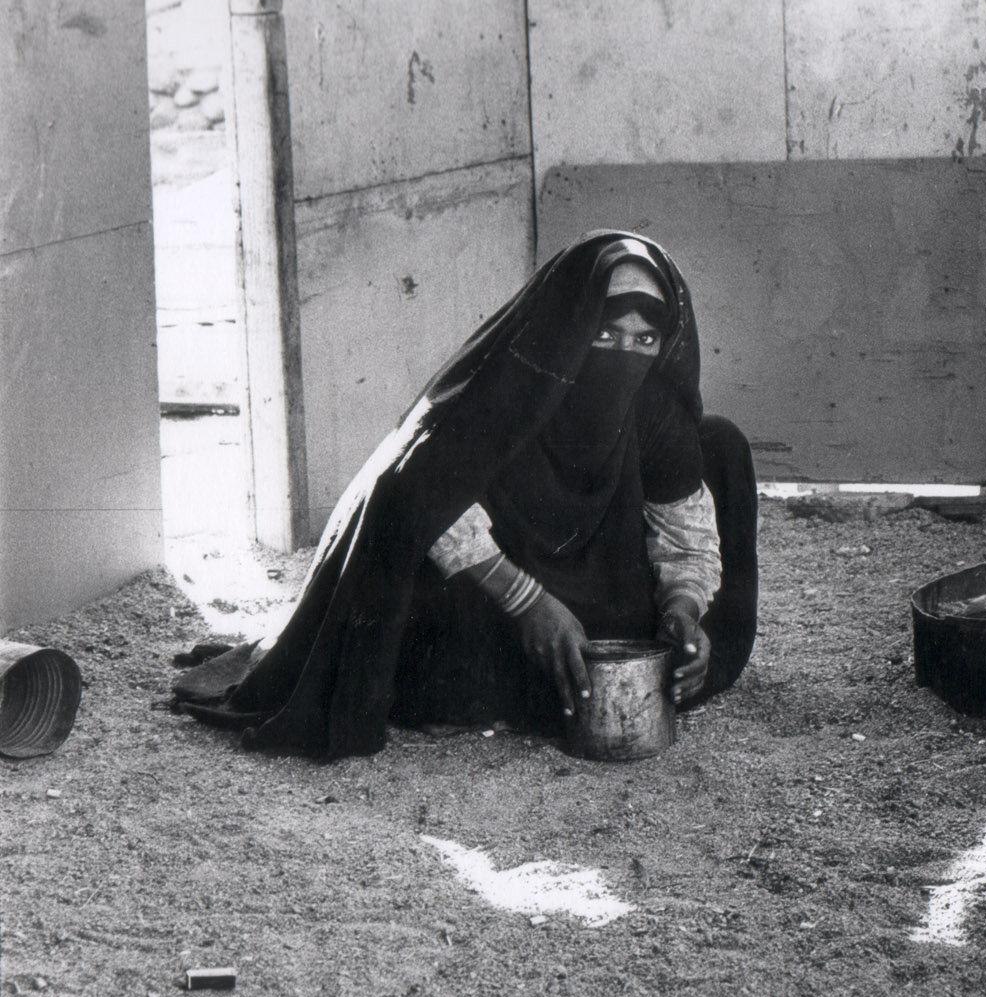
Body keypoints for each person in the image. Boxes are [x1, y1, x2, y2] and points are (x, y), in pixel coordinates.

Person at [174, 231, 757, 758]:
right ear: (570, 328)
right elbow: (421, 500)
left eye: (645, 339)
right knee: (438, 672)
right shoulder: (511, 390)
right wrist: (526, 600)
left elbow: (685, 538)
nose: (623, 355)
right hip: (486, 599)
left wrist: (683, 608)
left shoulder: (652, 410)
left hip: (600, 598)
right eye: (603, 333)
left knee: (721, 449)